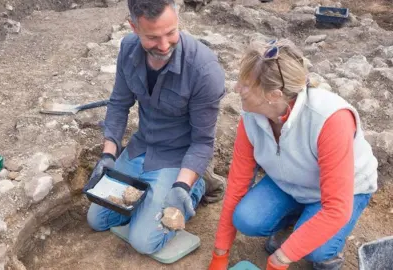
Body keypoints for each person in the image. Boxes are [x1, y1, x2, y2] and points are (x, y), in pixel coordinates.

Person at [208, 39, 378, 270]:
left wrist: (280, 259)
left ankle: (323, 245)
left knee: (318, 251)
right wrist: (220, 254)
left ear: (274, 95)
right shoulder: (251, 118)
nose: (237, 88)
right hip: (289, 183)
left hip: (342, 192)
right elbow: (237, 185)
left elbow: (336, 208)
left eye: (246, 84)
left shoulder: (329, 119)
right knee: (246, 219)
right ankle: (298, 222)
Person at [86, 0, 226, 255]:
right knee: (97, 219)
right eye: (152, 37)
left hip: (178, 157)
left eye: (171, 33)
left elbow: (203, 142)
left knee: (144, 242)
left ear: (177, 19)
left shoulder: (203, 70)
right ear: (134, 27)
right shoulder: (128, 49)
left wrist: (181, 186)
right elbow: (118, 104)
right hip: (141, 148)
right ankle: (151, 199)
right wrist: (108, 155)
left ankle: (196, 187)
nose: (164, 46)